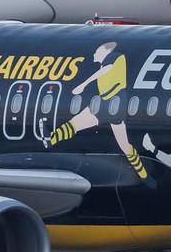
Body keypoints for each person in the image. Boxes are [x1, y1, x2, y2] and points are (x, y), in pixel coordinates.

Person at [45, 41, 147, 178]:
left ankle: (142, 172)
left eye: (97, 53)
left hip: (114, 103)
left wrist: (83, 84)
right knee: (77, 123)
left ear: (104, 53)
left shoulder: (114, 57)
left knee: (123, 144)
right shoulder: (110, 60)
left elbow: (107, 69)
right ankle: (51, 139)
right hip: (105, 101)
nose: (94, 55)